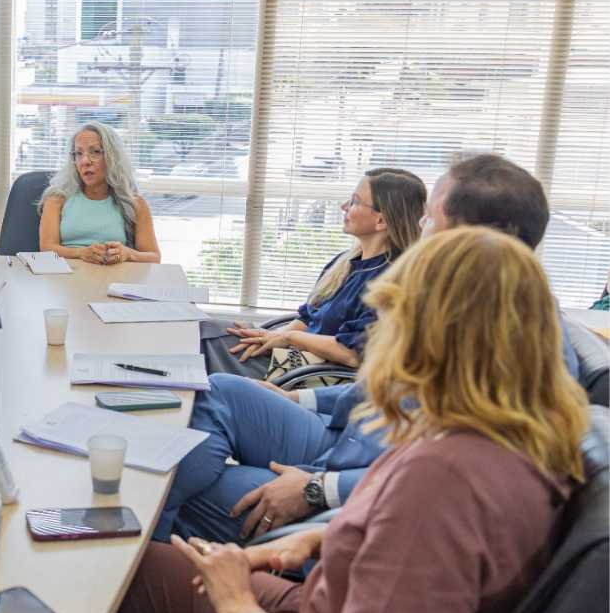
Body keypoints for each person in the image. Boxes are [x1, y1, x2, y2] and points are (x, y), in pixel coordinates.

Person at [76, 226, 589, 613]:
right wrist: (323, 539)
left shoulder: (447, 481)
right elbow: (428, 557)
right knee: (117, 573)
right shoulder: (512, 438)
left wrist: (237, 608)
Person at [162, 152, 575, 543]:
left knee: (178, 494)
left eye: (429, 220)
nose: (420, 231)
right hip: (347, 438)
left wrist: (317, 488)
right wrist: (299, 397)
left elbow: (440, 477)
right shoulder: (460, 301)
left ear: (465, 239)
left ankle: (145, 571)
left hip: (359, 484)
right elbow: (385, 385)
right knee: (220, 391)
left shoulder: (517, 339)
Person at [201, 168, 425, 378]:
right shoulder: (344, 262)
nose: (344, 206)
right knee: (207, 329)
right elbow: (309, 317)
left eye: (355, 202)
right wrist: (270, 337)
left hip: (314, 371)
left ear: (381, 220)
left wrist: (289, 337)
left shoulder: (390, 282)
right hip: (293, 353)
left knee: (206, 343)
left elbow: (352, 353)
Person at [38, 122, 160, 265]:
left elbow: (154, 258)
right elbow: (46, 249)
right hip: (66, 278)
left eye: (95, 152)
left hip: (114, 279)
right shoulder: (57, 198)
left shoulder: (134, 203)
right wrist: (80, 253)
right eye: (78, 153)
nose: (85, 161)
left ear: (112, 157)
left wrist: (128, 254)